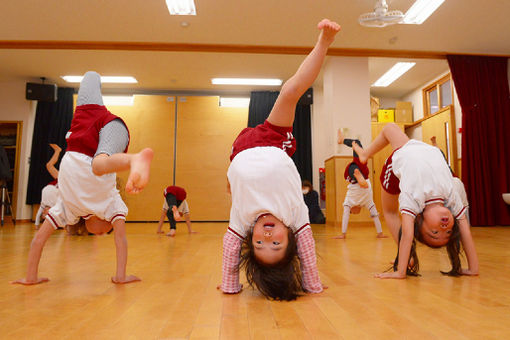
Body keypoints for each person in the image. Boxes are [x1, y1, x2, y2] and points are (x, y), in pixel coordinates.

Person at [219, 19, 340, 300]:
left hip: (239, 152)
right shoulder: (295, 216)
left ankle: (230, 182)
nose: (267, 238)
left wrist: (230, 284)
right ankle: (324, 43)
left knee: (233, 187)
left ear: (251, 239)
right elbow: (308, 253)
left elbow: (229, 248)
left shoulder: (243, 221)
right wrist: (312, 285)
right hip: (273, 143)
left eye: (260, 244)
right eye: (276, 244)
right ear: (289, 238)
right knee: (289, 92)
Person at [12, 71, 153, 285]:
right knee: (98, 165)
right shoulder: (112, 206)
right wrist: (120, 275)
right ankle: (134, 160)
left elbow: (38, 240)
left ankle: (134, 160)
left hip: (82, 133)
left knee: (89, 77)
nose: (101, 235)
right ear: (109, 223)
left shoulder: (68, 210)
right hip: (110, 134)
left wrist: (31, 277)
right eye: (108, 233)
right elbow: (121, 240)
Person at [346, 123, 478, 279]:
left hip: (400, 159)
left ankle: (408, 257)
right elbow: (465, 231)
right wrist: (473, 268)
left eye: (434, 232)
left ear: (419, 219)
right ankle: (365, 154)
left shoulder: (414, 199)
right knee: (390, 128)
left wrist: (400, 272)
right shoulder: (451, 196)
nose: (444, 227)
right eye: (448, 231)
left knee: (389, 212)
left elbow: (408, 234)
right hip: (425, 151)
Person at [334, 133, 387, 239]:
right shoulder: (367, 203)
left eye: (353, 213)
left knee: (357, 145)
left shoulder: (348, 203)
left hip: (352, 175)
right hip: (363, 173)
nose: (355, 213)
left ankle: (358, 175)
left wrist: (343, 234)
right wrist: (380, 233)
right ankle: (359, 176)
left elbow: (345, 216)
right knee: (357, 144)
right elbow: (375, 215)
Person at [34, 144, 61, 229]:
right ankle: (58, 151)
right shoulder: (56, 206)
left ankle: (57, 151)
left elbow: (38, 215)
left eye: (43, 213)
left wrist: (36, 225)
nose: (44, 212)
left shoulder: (43, 205)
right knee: (49, 166)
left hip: (57, 181)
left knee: (49, 165)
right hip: (61, 183)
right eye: (47, 214)